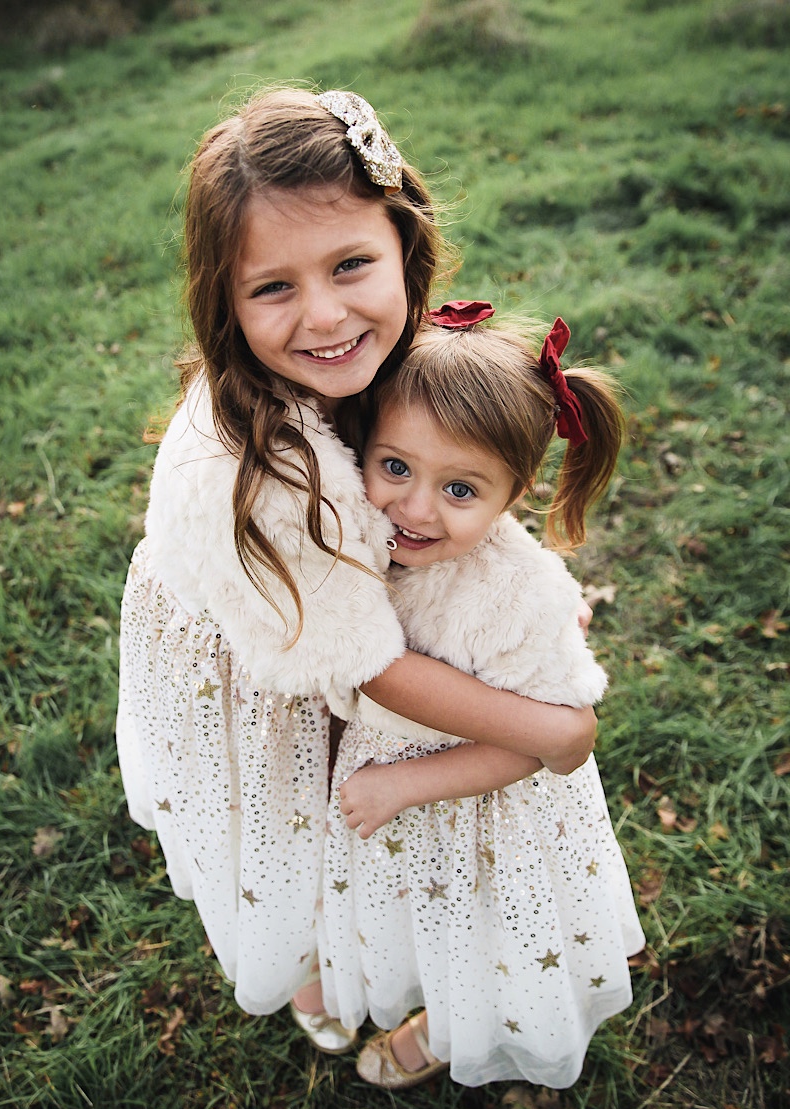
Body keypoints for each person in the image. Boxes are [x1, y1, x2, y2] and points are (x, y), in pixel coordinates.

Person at [116, 88, 598, 1055]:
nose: (327, 315)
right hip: (266, 673)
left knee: (360, 842)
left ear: (404, 248)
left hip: (322, 629)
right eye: (273, 288)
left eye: (350, 265)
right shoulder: (254, 481)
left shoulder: (372, 363)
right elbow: (364, 666)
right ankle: (319, 968)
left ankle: (375, 967)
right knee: (296, 837)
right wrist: (551, 729)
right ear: (225, 301)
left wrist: (519, 593)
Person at [318, 302, 645, 1087]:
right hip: (384, 802)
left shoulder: (515, 598)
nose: (416, 509)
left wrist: (405, 783)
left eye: (460, 489)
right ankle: (369, 982)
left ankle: (446, 1030)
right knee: (401, 916)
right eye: (395, 467)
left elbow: (541, 743)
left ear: (514, 495)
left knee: (472, 932)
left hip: (480, 818)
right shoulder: (355, 532)